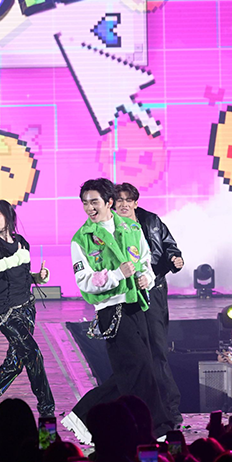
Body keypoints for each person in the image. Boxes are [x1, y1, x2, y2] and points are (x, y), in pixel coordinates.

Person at [61, 178, 171, 445]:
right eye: (85, 203)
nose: (89, 208)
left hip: (137, 304)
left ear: (109, 202)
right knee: (138, 367)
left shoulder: (132, 228)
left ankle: (86, 417)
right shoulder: (81, 239)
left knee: (135, 370)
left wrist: (147, 278)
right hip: (111, 310)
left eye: (94, 202)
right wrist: (116, 275)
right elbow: (84, 281)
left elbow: (145, 260)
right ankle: (157, 428)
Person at [114, 183, 184, 425]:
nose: (124, 204)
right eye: (119, 200)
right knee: (133, 354)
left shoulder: (151, 221)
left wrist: (175, 258)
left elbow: (169, 246)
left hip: (153, 290)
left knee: (157, 350)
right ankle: (136, 410)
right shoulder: (109, 226)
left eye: (128, 200)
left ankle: (169, 409)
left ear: (135, 202)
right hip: (125, 294)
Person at [0, 199, 55, 416]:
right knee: (33, 354)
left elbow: (22, 275)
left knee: (14, 363)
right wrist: (16, 258)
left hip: (27, 307)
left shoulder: (21, 242)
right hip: (6, 311)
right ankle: (47, 409)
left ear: (8, 216)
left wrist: (39, 277)